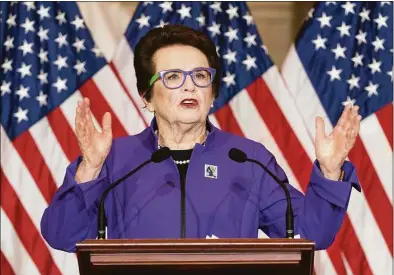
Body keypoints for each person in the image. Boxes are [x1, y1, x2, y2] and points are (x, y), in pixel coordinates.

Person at [40, 24, 361, 253]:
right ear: (147, 96)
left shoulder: (249, 160)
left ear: (212, 92)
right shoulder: (116, 159)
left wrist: (330, 173)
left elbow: (311, 234)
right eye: (174, 77)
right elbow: (62, 235)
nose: (190, 86)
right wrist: (89, 171)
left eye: (201, 76)